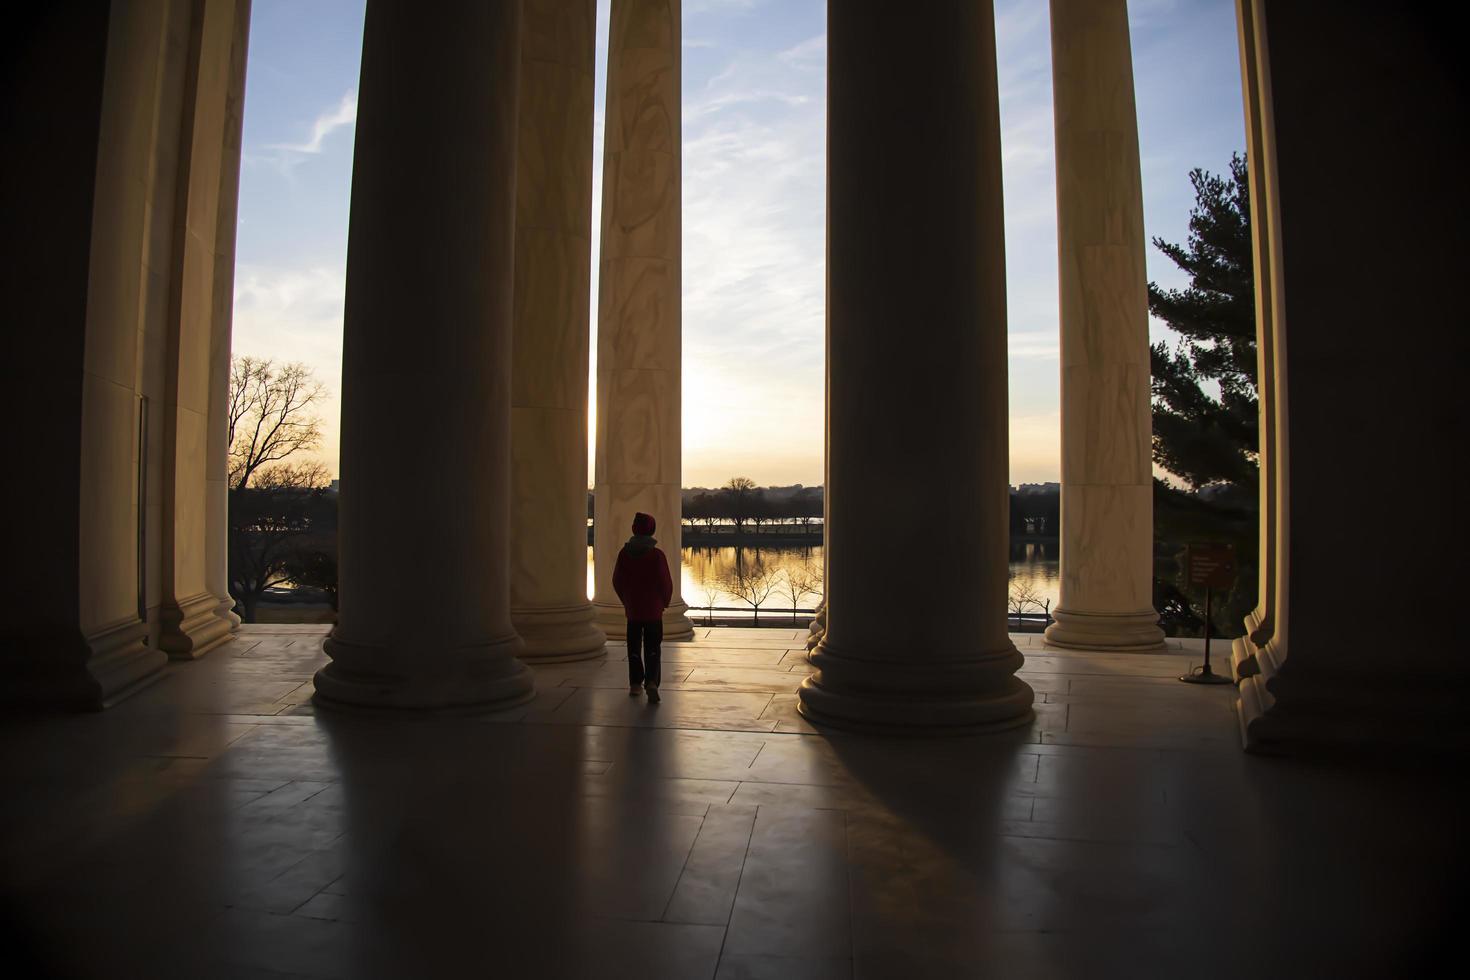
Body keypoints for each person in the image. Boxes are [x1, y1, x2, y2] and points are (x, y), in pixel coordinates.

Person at [611, 511, 673, 703]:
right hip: (653, 609)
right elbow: (665, 583)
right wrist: (665, 601)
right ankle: (652, 681)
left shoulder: (624, 554)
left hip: (633, 609)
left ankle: (635, 684)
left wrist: (626, 600)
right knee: (653, 647)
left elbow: (617, 581)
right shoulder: (657, 556)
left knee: (634, 647)